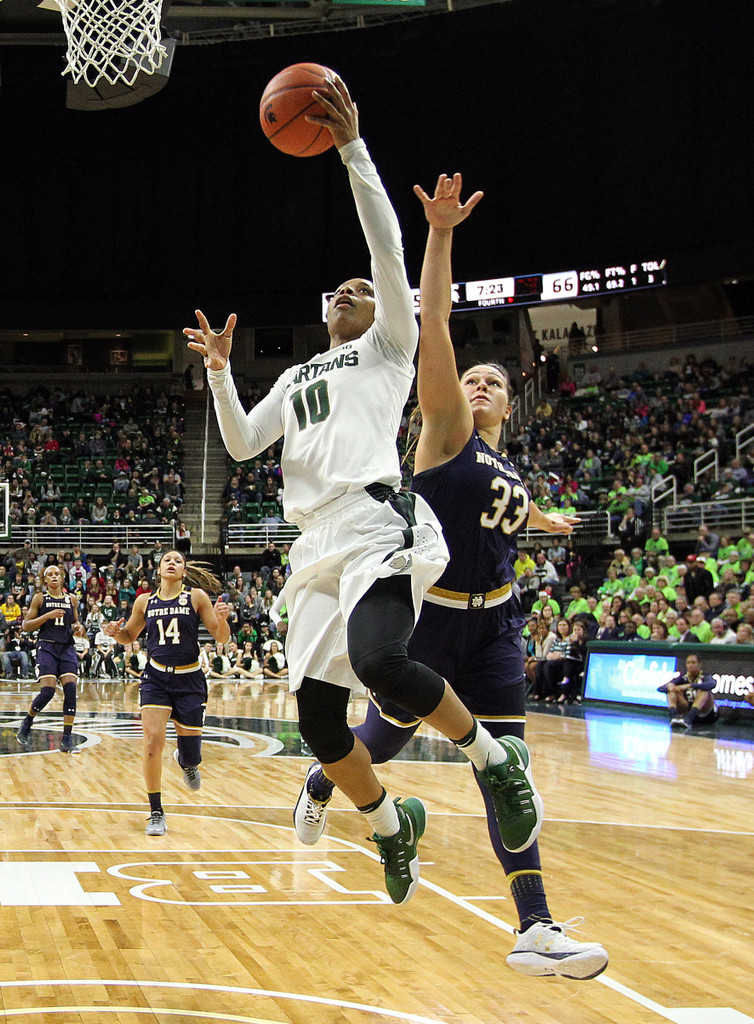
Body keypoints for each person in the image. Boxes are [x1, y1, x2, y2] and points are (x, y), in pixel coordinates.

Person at [185, 83, 543, 907]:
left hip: (375, 516)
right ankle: (391, 825)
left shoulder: (389, 347)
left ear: (385, 308)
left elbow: (386, 250)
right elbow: (240, 444)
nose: (350, 289)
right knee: (317, 723)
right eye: (337, 289)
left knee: (384, 663)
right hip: (311, 544)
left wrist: (353, 152)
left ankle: (494, 759)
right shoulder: (299, 374)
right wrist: (216, 374)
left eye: (362, 286)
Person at [289, 172, 607, 976]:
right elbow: (436, 333)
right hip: (429, 618)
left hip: (497, 625)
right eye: (472, 379)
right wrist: (439, 235)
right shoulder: (447, 431)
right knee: (377, 744)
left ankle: (534, 926)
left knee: (510, 774)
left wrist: (544, 520)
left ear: (512, 402)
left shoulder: (511, 468)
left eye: (494, 381)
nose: (479, 384)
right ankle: (326, 784)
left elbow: (506, 509)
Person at [103, 550, 230, 836]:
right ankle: (156, 812)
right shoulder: (144, 601)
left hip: (190, 681)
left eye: (178, 561)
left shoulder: (196, 597)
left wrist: (223, 619)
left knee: (191, 756)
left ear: (184, 571)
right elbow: (128, 637)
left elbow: (221, 637)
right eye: (167, 560)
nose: (172, 563)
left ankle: (187, 762)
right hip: (156, 678)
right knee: (152, 742)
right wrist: (115, 632)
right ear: (158, 570)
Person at [16, 564, 86, 752]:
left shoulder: (71, 599)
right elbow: (26, 625)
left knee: (70, 689)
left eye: (57, 574)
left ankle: (67, 738)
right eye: (50, 575)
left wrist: (79, 627)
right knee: (48, 691)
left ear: (62, 578)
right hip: (47, 646)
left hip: (66, 647)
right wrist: (47, 616)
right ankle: (28, 720)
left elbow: (75, 622)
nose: (54, 577)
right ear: (45, 580)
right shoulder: (40, 598)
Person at [657, 652, 718, 729]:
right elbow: (660, 688)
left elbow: (712, 684)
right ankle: (673, 716)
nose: (690, 665)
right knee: (671, 689)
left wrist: (689, 685)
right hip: (686, 709)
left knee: (704, 690)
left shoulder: (705, 676)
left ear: (699, 665)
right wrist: (672, 688)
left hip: (705, 713)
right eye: (688, 663)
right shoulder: (682, 677)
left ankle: (690, 717)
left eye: (693, 663)